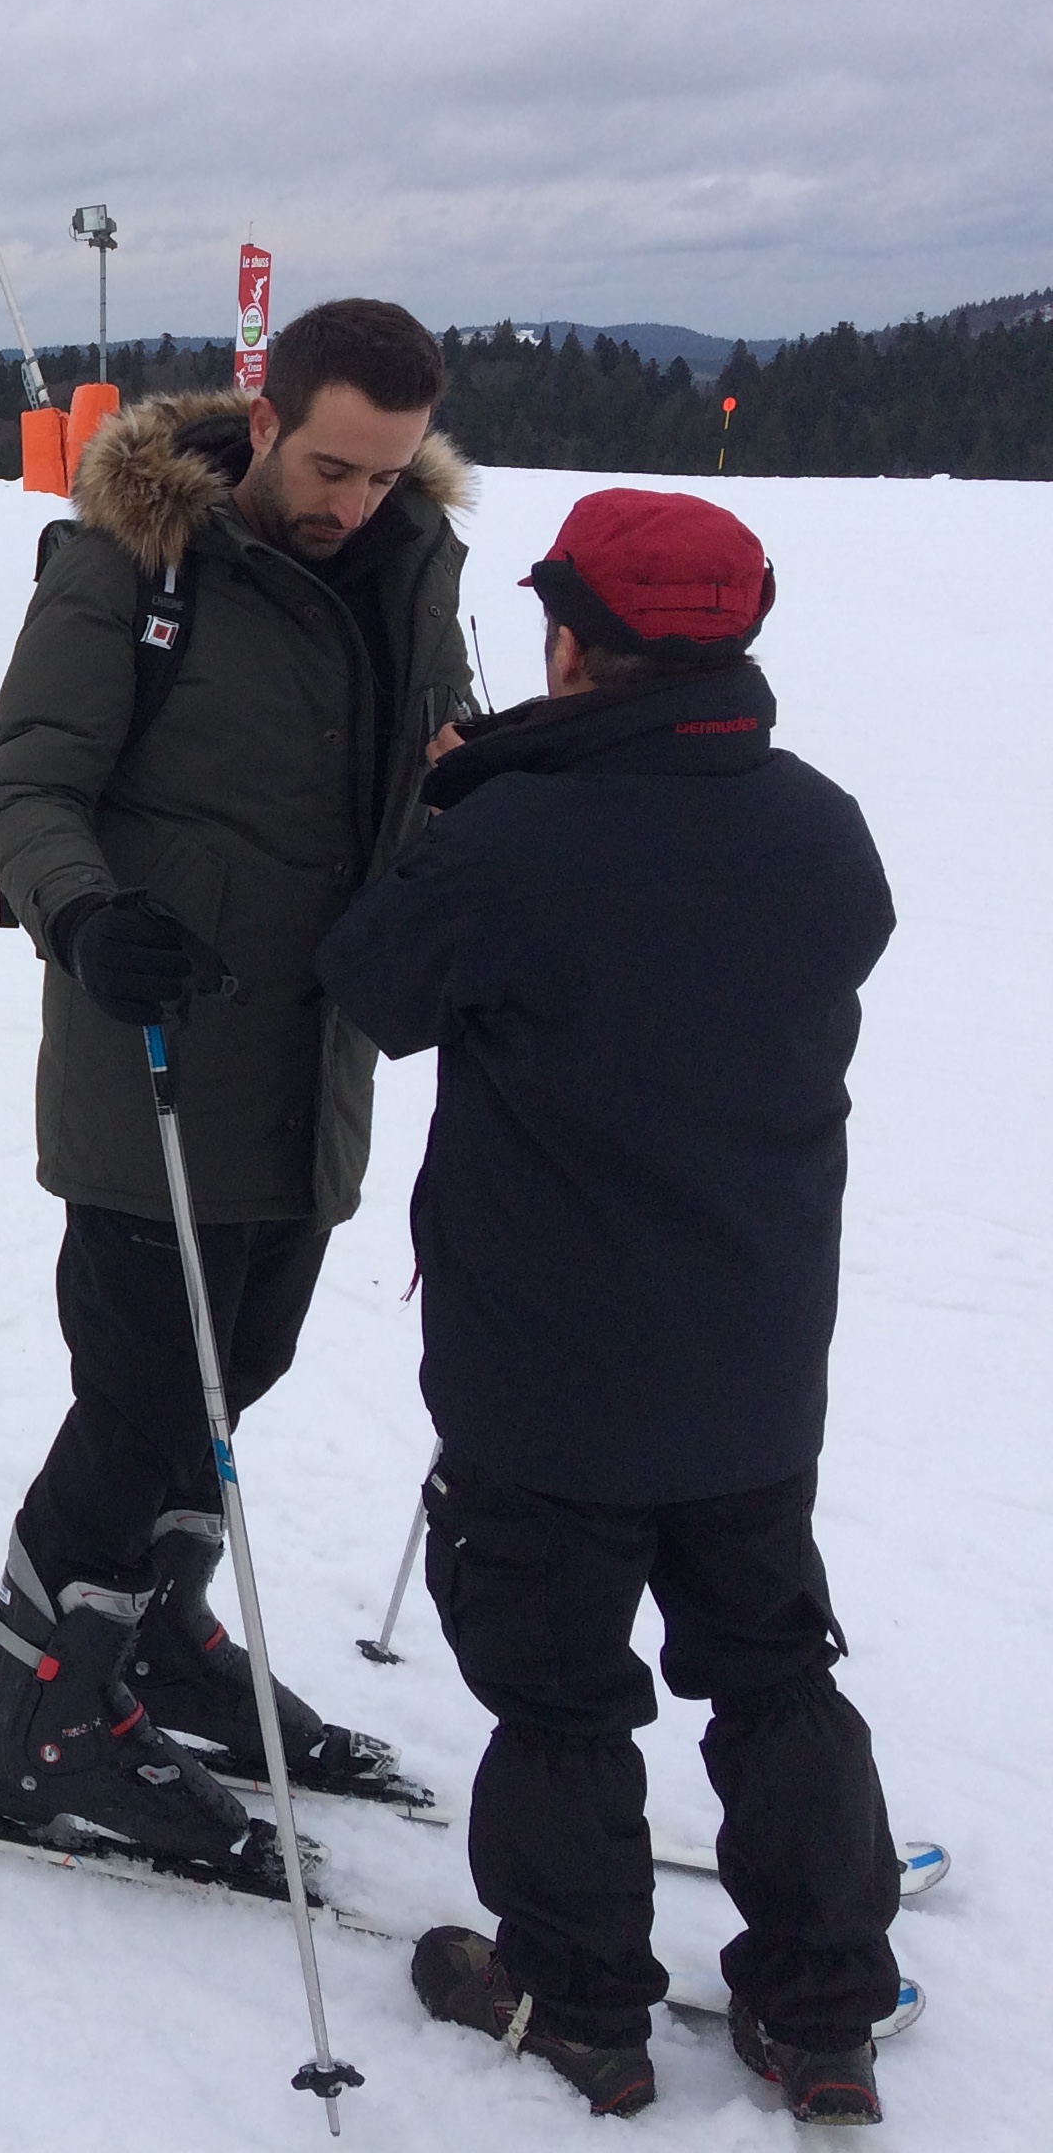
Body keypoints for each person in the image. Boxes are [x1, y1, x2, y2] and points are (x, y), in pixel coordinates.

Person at [316, 490, 899, 2123]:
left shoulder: (517, 839)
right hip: (754, 1357)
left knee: (562, 1693)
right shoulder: (819, 826)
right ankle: (824, 2011)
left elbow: (371, 983)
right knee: (771, 1664)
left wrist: (464, 794)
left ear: (572, 642)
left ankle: (580, 2005)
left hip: (548, 1375)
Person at [0, 300, 475, 1870]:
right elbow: (22, 786)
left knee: (246, 1373)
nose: (353, 502)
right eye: (331, 466)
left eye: (386, 473)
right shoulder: (133, 558)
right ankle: (31, 1709)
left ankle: (153, 1640)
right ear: (268, 412)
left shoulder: (412, 560)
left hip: (320, 1063)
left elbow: (439, 760)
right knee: (144, 1400)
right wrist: (85, 913)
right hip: (154, 1053)